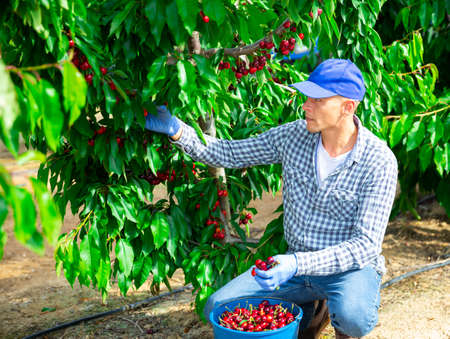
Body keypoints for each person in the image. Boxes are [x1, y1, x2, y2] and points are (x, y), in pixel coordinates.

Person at [145, 59, 398, 339]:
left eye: (317, 99)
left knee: (353, 317)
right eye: (306, 98)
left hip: (346, 271)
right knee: (217, 306)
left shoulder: (379, 161)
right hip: (294, 271)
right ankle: (307, 311)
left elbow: (364, 246)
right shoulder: (293, 136)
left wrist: (297, 263)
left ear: (347, 107)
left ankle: (330, 309)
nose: (305, 106)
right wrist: (178, 131)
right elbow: (229, 153)